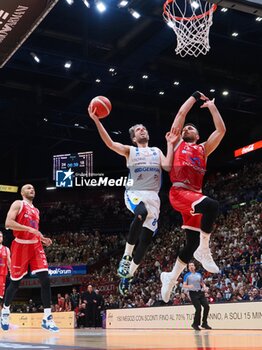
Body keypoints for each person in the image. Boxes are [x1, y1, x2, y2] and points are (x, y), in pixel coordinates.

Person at [88, 105, 179, 295]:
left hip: (154, 197)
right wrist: (97, 120)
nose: (143, 130)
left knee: (145, 241)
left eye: (144, 128)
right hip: (135, 192)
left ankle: (127, 276)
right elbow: (110, 143)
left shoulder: (156, 151)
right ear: (133, 138)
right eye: (138, 129)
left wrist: (170, 144)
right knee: (141, 213)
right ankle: (126, 256)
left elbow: (168, 167)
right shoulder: (130, 150)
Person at [161, 92, 226, 302]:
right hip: (179, 192)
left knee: (189, 244)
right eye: (185, 128)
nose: (187, 128)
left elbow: (221, 130)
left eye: (192, 128)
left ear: (197, 135)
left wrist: (212, 106)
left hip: (194, 196)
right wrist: (194, 96)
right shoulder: (178, 143)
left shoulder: (203, 149)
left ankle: (171, 277)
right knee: (212, 205)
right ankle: (204, 250)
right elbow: (181, 113)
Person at [0, 184, 59, 332]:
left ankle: (47, 317)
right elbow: (8, 223)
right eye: (28, 188)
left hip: (35, 246)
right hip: (20, 246)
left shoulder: (36, 210)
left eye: (33, 188)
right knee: (15, 284)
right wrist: (29, 229)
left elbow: (34, 230)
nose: (32, 189)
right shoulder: (18, 204)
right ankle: (5, 312)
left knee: (45, 279)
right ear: (22, 192)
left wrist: (42, 238)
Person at [183, 262, 211, 330]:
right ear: (188, 268)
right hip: (193, 293)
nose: (191, 267)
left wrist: (204, 287)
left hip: (200, 292)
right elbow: (184, 285)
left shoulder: (198, 274)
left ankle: (204, 323)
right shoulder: (187, 275)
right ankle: (195, 324)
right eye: (189, 266)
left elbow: (202, 283)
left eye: (192, 265)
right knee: (198, 308)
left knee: (207, 306)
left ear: (195, 267)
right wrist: (189, 286)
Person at [0, 231, 11, 304]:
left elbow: (9, 262)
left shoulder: (6, 249)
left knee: (1, 295)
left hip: (2, 275)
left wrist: (11, 271)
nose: (0, 238)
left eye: (1, 236)